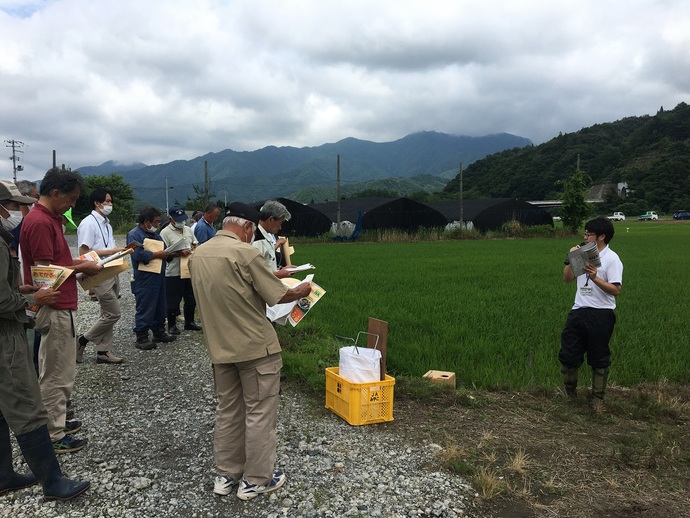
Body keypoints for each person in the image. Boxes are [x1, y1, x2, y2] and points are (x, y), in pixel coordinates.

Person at [189, 202, 311, 501]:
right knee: (259, 412)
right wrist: (303, 291)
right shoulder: (246, 253)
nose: (250, 235)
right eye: (250, 230)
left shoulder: (198, 254)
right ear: (245, 227)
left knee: (228, 411)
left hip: (220, 347)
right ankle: (256, 479)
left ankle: (226, 476)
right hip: (256, 348)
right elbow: (279, 293)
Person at [0, 191, 90, 501]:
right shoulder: (35, 224)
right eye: (13, 205)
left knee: (4, 406)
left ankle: (5, 474)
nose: (17, 211)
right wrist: (30, 297)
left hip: (34, 311)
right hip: (19, 325)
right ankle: (53, 461)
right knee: (38, 391)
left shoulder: (36, 223)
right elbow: (38, 278)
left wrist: (19, 288)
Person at [19, 168, 103, 454]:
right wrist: (83, 267)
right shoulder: (41, 222)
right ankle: (53, 433)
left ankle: (56, 422)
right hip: (54, 306)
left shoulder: (47, 219)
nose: (72, 204)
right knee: (56, 372)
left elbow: (55, 262)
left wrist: (77, 261)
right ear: (55, 193)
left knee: (58, 368)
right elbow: (45, 274)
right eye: (71, 198)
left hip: (60, 304)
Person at [560, 217, 623, 411]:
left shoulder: (612, 259)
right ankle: (570, 394)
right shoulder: (583, 253)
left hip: (601, 314)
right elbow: (567, 279)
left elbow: (615, 290)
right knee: (569, 354)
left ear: (602, 237)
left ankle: (597, 399)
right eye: (585, 233)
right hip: (579, 310)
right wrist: (571, 259)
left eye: (589, 234)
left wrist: (595, 278)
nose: (585, 237)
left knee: (598, 357)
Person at [75, 188, 126, 364]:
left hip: (111, 268)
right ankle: (83, 340)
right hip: (98, 272)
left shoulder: (107, 223)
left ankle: (103, 351)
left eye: (111, 201)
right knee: (113, 313)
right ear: (97, 203)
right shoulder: (88, 223)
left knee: (106, 312)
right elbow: (84, 252)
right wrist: (113, 251)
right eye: (107, 201)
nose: (110, 204)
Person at [126, 207, 176, 350]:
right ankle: (141, 336)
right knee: (145, 306)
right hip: (144, 277)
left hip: (159, 276)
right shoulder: (134, 235)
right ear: (146, 222)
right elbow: (137, 255)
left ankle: (158, 331)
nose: (157, 225)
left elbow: (164, 249)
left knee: (160, 305)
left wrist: (170, 253)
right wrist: (156, 255)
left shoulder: (156, 235)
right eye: (156, 222)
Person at [160, 205, 201, 335]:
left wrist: (194, 248)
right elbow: (163, 254)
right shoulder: (164, 233)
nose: (181, 222)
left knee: (190, 298)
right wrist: (178, 253)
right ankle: (172, 325)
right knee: (173, 300)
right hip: (173, 271)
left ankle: (190, 322)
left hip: (188, 269)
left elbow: (195, 242)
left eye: (182, 219)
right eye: (178, 219)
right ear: (171, 218)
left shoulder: (188, 230)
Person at [253, 200, 295, 279]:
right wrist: (279, 275)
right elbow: (255, 275)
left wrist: (281, 270)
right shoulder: (257, 240)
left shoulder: (266, 236)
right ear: (271, 219)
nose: (280, 228)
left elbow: (267, 267)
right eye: (280, 223)